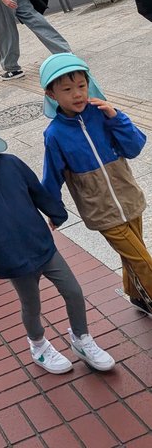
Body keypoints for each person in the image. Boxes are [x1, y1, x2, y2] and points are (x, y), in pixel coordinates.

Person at [0, 109, 115, 375]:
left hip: (41, 245)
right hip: (12, 257)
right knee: (31, 305)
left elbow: (37, 191)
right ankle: (38, 345)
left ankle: (81, 338)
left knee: (73, 291)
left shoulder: (11, 164)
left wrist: (56, 212)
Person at [40, 53, 152, 316]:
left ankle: (136, 295)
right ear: (51, 94)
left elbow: (134, 147)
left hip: (128, 198)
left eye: (81, 85)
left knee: (135, 254)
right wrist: (54, 211)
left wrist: (116, 117)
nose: (77, 94)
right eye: (67, 89)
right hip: (100, 210)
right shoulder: (55, 134)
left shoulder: (103, 115)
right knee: (143, 260)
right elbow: (51, 176)